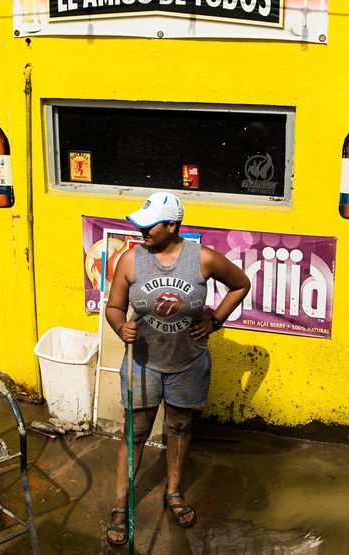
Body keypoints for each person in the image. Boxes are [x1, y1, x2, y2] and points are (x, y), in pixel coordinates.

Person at [103, 192, 250, 547]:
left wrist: (215, 322)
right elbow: (113, 307)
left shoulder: (202, 259)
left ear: (172, 226)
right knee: (135, 432)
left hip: (188, 364)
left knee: (180, 426)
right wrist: (120, 326)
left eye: (148, 225)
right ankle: (121, 505)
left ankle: (173, 492)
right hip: (143, 363)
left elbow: (240, 284)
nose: (141, 232)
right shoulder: (130, 260)